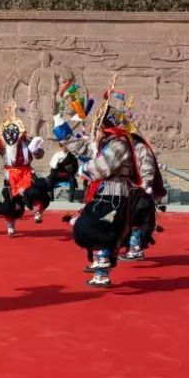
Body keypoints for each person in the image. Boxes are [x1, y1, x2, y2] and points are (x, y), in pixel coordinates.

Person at [71, 79, 144, 288]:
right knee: (91, 227)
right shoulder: (105, 144)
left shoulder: (119, 144)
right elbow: (80, 148)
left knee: (95, 228)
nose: (96, 130)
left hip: (114, 194)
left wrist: (84, 170)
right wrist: (62, 122)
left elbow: (103, 167)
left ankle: (104, 265)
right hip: (103, 192)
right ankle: (102, 274)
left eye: (98, 126)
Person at [0, 100, 50, 237]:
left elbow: (40, 155)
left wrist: (36, 150)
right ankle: (10, 226)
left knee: (34, 191)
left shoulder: (27, 141)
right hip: (10, 176)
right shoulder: (2, 144)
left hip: (26, 172)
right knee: (9, 202)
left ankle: (37, 212)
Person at [122, 108, 167, 261]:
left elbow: (148, 169)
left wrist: (143, 185)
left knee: (137, 221)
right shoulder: (127, 149)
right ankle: (131, 247)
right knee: (128, 221)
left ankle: (136, 249)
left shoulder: (141, 149)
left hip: (139, 191)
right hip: (129, 190)